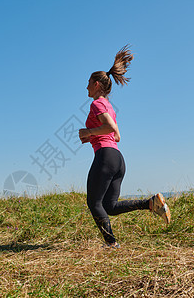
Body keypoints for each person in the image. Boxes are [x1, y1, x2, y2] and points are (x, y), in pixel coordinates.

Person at [78, 45, 171, 248]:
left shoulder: (97, 104)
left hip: (105, 157)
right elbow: (117, 135)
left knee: (94, 204)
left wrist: (88, 133)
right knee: (109, 206)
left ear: (95, 84)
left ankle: (111, 244)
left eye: (87, 84)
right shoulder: (109, 106)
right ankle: (150, 203)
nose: (85, 87)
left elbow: (110, 128)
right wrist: (93, 135)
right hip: (117, 159)